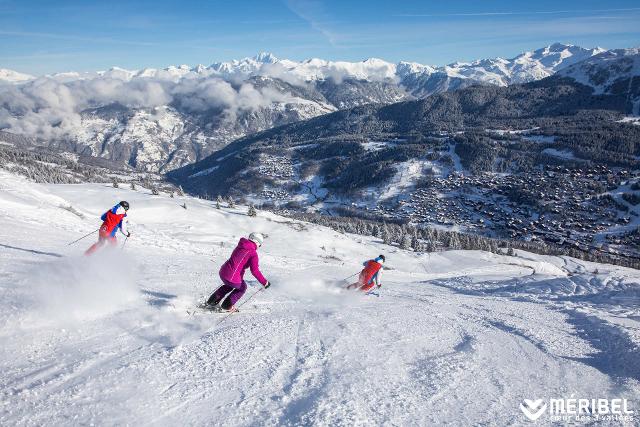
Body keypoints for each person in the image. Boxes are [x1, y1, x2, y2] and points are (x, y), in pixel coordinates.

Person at [205, 232, 271, 312]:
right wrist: (265, 282)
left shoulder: (241, 245)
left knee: (228, 286)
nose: (258, 247)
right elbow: (255, 271)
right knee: (242, 288)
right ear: (257, 242)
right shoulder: (253, 253)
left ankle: (211, 302)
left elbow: (239, 261)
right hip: (232, 276)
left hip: (224, 271)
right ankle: (227, 306)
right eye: (260, 245)